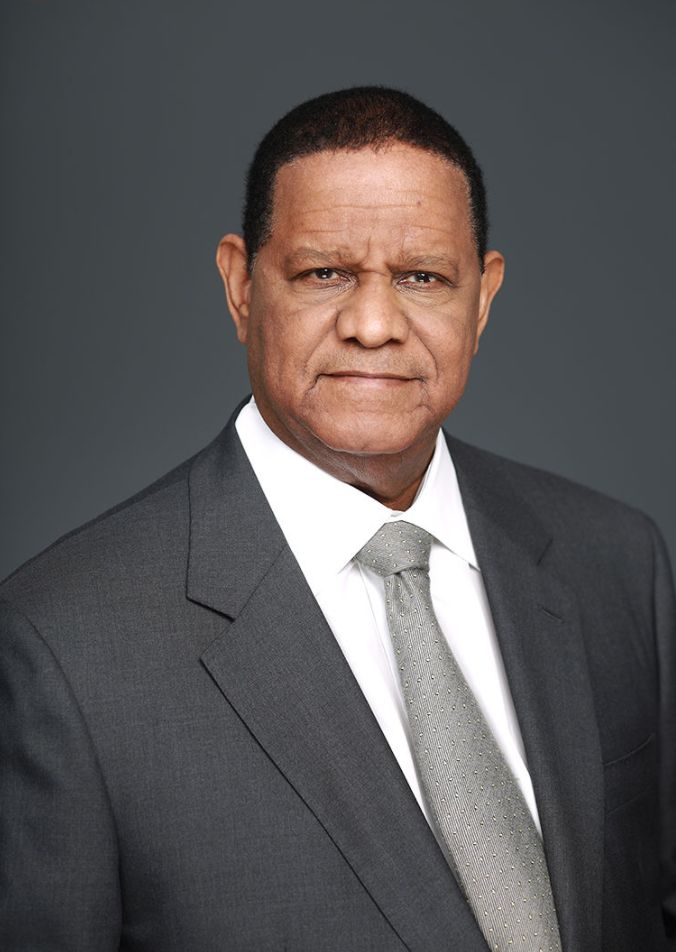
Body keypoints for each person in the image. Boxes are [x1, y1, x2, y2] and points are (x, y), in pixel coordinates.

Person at [1, 86, 674, 952]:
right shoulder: (63, 646)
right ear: (241, 287)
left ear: (482, 298)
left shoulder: (615, 562)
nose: (374, 325)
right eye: (325, 273)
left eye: (423, 277)